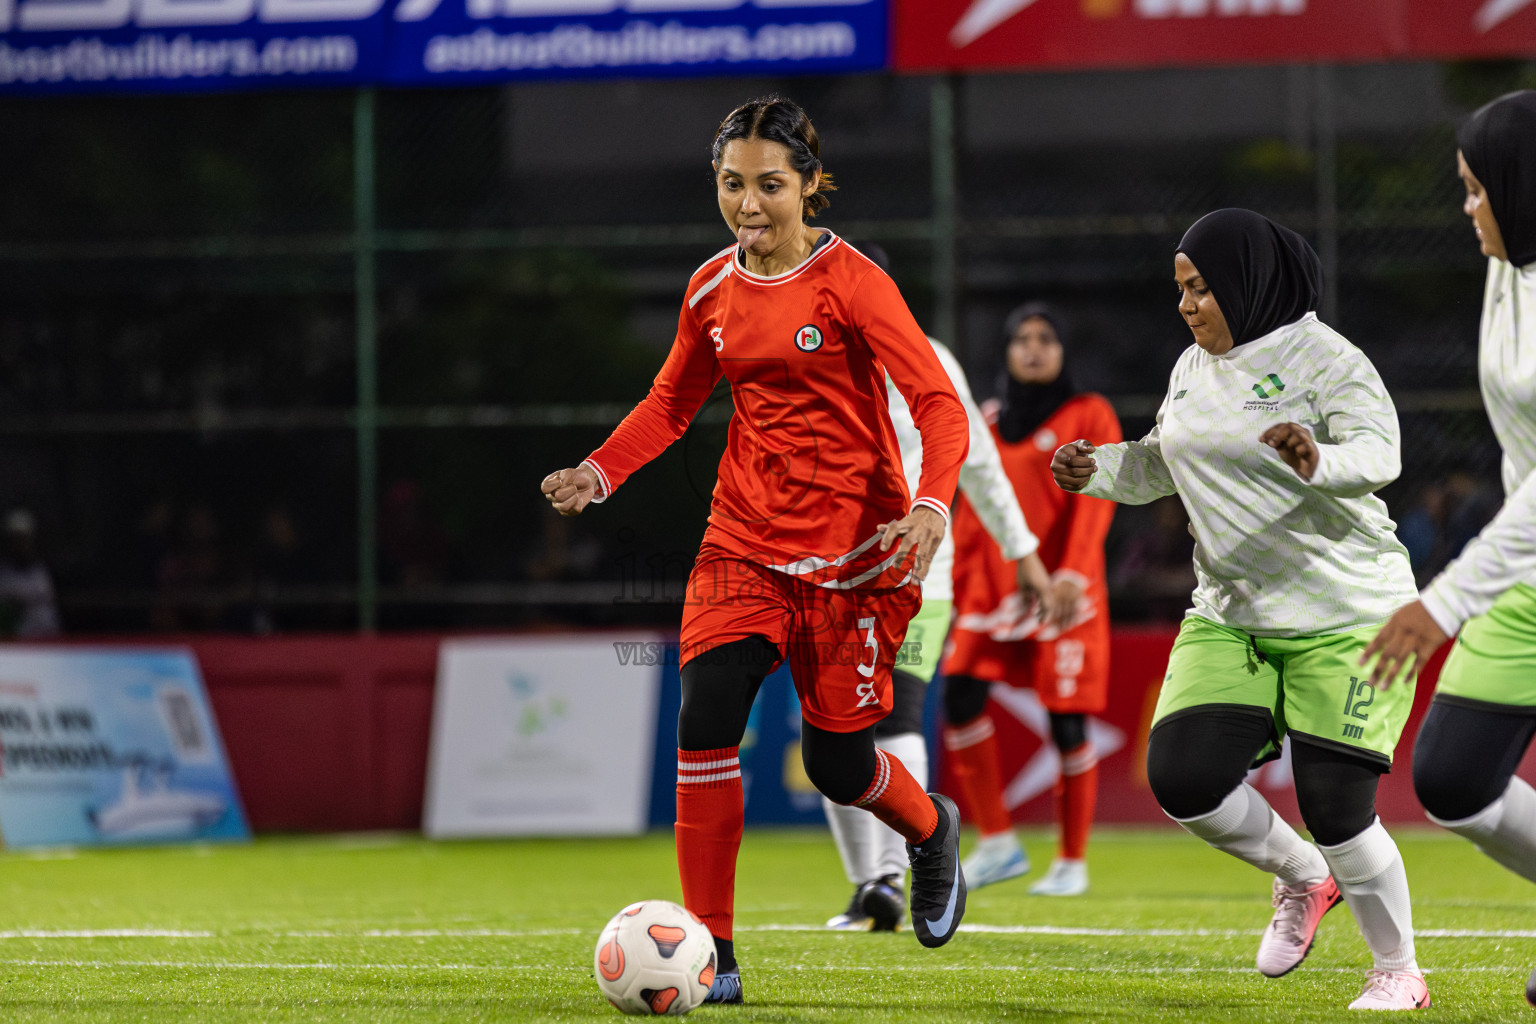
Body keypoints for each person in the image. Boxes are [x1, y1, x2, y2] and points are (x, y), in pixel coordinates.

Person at [540, 96, 972, 1004]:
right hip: (741, 544)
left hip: (855, 558)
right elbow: (668, 406)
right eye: (733, 183)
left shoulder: (854, 282)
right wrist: (598, 472)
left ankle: (930, 830)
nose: (749, 203)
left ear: (812, 187)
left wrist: (931, 506)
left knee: (838, 764)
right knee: (706, 718)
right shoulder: (710, 290)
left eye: (770, 185)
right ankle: (715, 953)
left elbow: (937, 402)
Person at [1053, 208, 1430, 1010]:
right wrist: (1100, 468)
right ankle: (1303, 877)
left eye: (1202, 288)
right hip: (1231, 611)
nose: (1187, 305)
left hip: (1349, 611)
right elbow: (1164, 462)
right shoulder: (1192, 367)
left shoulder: (1327, 359)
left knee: (1336, 804)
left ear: (1248, 282)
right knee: (1182, 778)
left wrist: (1317, 457)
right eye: (1181, 289)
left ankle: (1398, 970)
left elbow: (1382, 454)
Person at [821, 246, 1057, 931]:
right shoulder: (813, 360)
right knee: (829, 725)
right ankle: (872, 883)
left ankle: (893, 872)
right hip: (828, 577)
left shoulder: (929, 359)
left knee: (897, 713)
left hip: (922, 575)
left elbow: (980, 468)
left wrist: (1025, 556)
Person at [1363, 90, 1536, 1006]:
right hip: (1530, 567)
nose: (1467, 208)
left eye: (1476, 190)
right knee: (1454, 779)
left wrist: (1442, 601)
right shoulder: (1511, 260)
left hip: (1512, 558)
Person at [942, 305, 1121, 896]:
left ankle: (1072, 861)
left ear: (1064, 350)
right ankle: (998, 841)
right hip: (995, 591)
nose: (1033, 349)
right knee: (960, 697)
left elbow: (1098, 500)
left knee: (1067, 724)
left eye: (1046, 338)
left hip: (1064, 593)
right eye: (1022, 339)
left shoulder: (1089, 412)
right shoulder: (988, 419)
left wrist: (1072, 574)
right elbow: (971, 511)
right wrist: (954, 585)